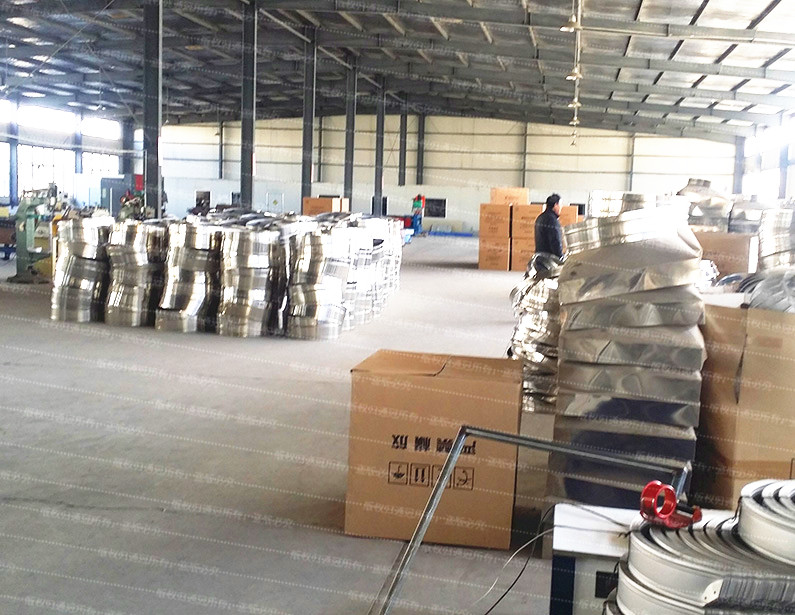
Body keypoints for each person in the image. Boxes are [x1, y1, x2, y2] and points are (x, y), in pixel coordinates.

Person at [534, 193, 564, 257]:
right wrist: (561, 257)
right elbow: (555, 241)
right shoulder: (552, 220)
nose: (561, 207)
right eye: (560, 205)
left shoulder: (540, 217)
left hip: (539, 258)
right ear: (555, 205)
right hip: (549, 259)